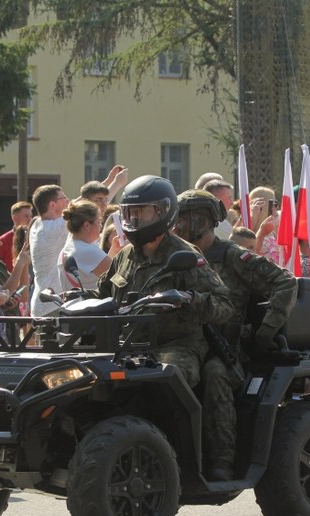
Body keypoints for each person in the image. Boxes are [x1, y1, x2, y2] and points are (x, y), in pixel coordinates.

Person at [93, 176, 236, 478]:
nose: (134, 220)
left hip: (178, 344)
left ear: (163, 212)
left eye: (142, 212)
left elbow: (223, 305)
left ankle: (201, 458)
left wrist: (187, 298)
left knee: (165, 377)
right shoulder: (124, 257)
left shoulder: (184, 255)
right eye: (130, 213)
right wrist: (76, 299)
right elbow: (102, 295)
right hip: (128, 344)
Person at [173, 189, 297, 480]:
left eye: (185, 218)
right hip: (182, 344)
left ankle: (221, 460)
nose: (177, 225)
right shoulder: (175, 256)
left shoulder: (231, 257)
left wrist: (263, 334)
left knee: (215, 373)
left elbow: (285, 283)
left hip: (225, 350)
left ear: (204, 221)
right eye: (176, 218)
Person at [29, 184, 70, 317]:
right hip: (52, 306)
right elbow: (90, 208)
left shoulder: (37, 224)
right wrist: (116, 183)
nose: (68, 200)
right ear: (52, 205)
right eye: (63, 197)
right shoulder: (53, 228)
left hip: (44, 303)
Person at [58, 198, 113, 291]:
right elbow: (120, 275)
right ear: (87, 225)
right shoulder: (87, 251)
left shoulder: (70, 245)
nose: (101, 226)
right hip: (92, 304)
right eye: (98, 222)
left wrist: (114, 248)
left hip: (74, 304)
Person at [0, 201, 34, 272]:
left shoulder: (35, 238)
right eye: (26, 216)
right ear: (14, 218)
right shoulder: (3, 241)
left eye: (31, 216)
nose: (30, 220)